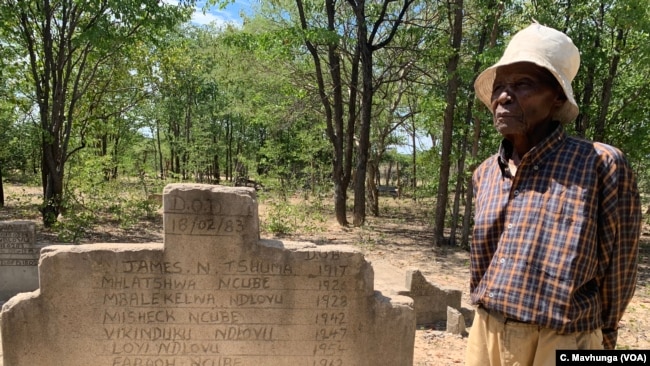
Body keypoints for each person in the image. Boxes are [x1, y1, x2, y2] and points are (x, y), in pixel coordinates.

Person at [467, 22, 641, 365]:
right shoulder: (485, 173)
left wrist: (603, 337)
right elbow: (483, 261)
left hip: (564, 339)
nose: (503, 96)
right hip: (486, 332)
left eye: (522, 85)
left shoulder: (600, 164)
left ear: (558, 96)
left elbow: (619, 267)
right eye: (499, 86)